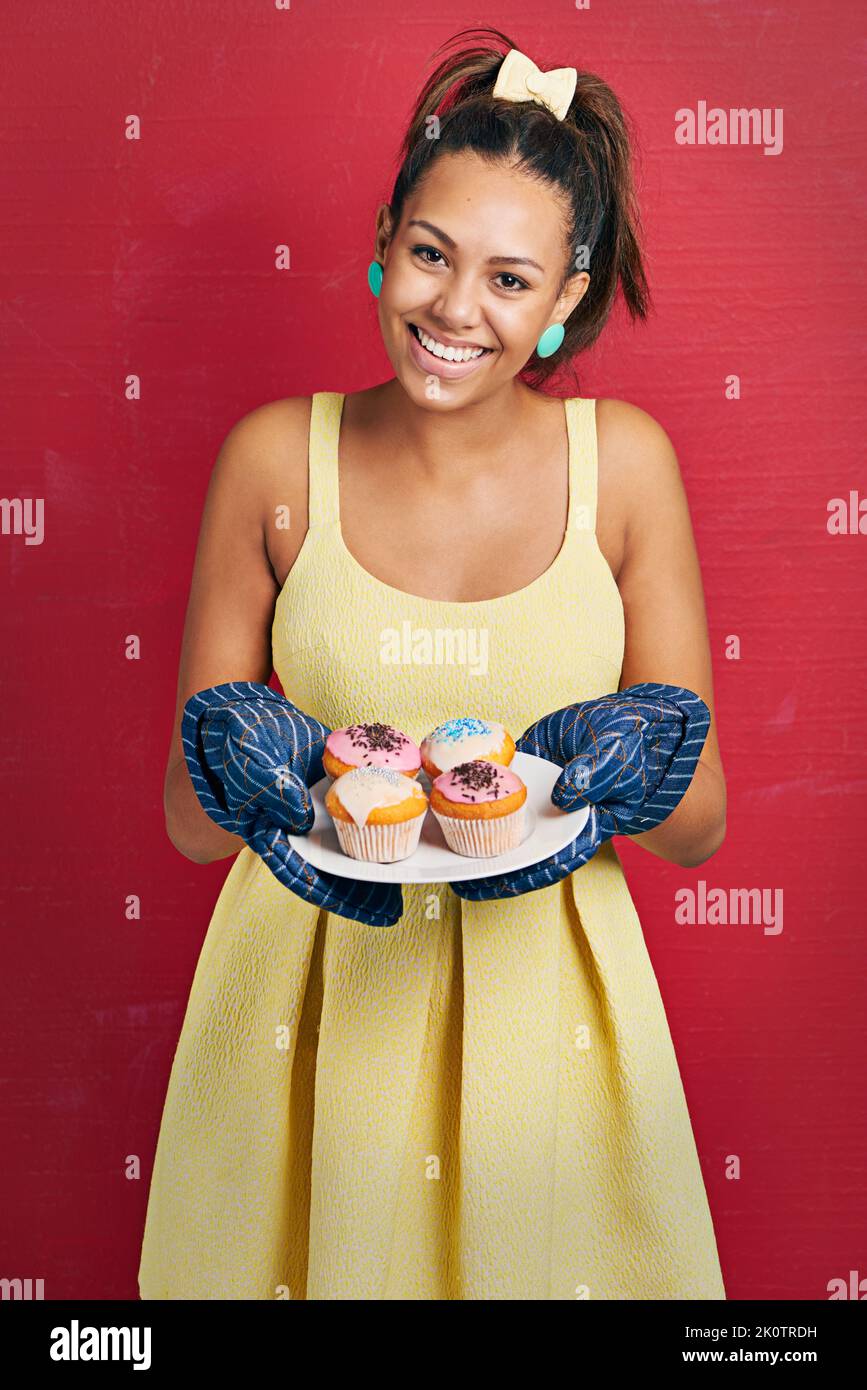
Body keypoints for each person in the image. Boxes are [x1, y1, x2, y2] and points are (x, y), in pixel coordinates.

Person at [138, 26, 727, 1300]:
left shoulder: (621, 468)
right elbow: (188, 829)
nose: (456, 311)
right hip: (306, 1020)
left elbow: (700, 831)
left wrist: (637, 760)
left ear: (567, 299)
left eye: (511, 281)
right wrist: (237, 753)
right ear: (389, 238)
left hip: (549, 1032)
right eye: (430, 255)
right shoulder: (271, 461)